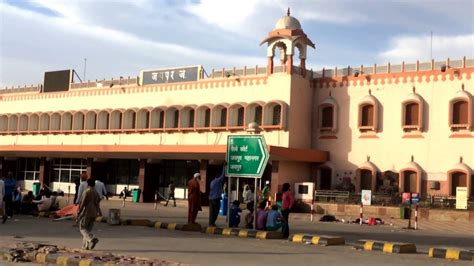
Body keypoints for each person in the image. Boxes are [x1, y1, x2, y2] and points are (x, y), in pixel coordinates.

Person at [77, 178, 101, 250]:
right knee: (87, 230)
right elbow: (97, 204)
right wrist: (99, 212)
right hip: (94, 213)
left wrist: (79, 211)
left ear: (87, 184)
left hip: (87, 212)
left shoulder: (87, 192)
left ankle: (92, 238)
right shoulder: (96, 192)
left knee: (82, 228)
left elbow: (82, 203)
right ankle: (85, 246)